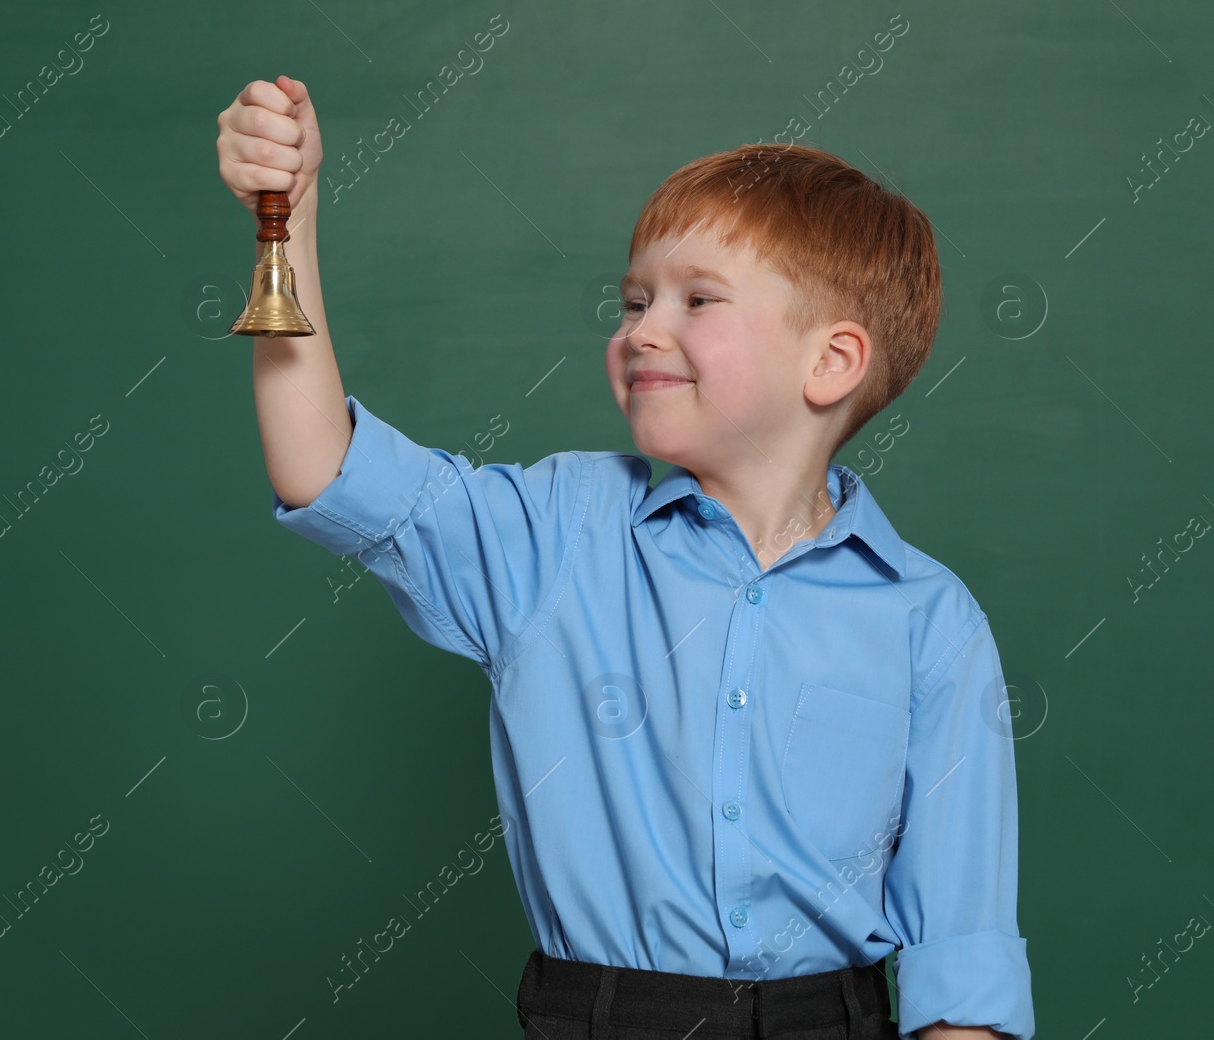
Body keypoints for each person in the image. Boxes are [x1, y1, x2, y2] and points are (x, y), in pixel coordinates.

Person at [216, 74, 1034, 1040]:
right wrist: (291, 223)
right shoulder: (556, 529)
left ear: (832, 363)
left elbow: (963, 953)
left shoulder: (929, 620)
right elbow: (324, 467)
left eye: (698, 299)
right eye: (635, 297)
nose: (641, 327)